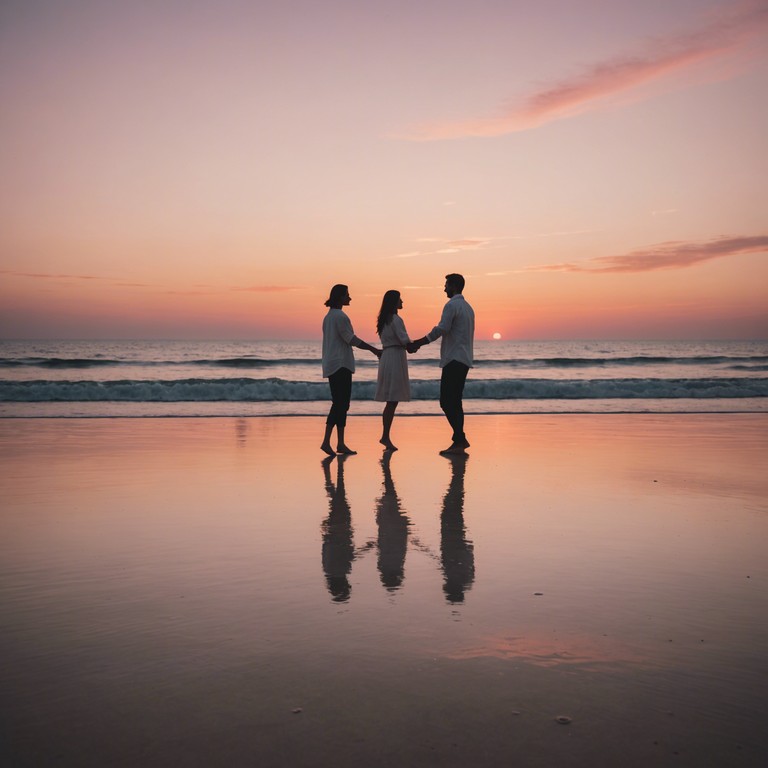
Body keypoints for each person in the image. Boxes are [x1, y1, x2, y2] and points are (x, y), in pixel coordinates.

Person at [408, 273, 474, 455]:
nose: (444, 288)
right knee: (455, 401)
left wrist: (418, 343)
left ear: (453, 286)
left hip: (453, 359)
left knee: (446, 401)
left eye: (446, 285)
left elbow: (441, 329)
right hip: (465, 359)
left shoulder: (451, 305)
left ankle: (459, 439)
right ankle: (459, 440)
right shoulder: (468, 307)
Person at [321, 284, 381, 456]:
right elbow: (351, 339)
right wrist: (373, 349)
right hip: (340, 364)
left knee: (342, 404)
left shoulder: (329, 317)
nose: (350, 298)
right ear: (340, 297)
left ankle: (340, 443)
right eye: (347, 295)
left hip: (332, 363)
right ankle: (327, 441)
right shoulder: (340, 316)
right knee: (340, 404)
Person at [374, 290, 411, 451]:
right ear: (394, 301)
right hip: (395, 356)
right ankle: (385, 436)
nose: (402, 302)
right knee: (392, 399)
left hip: (387, 356)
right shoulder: (396, 319)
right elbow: (404, 340)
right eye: (400, 299)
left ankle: (385, 436)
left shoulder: (383, 320)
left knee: (391, 399)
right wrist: (414, 345)